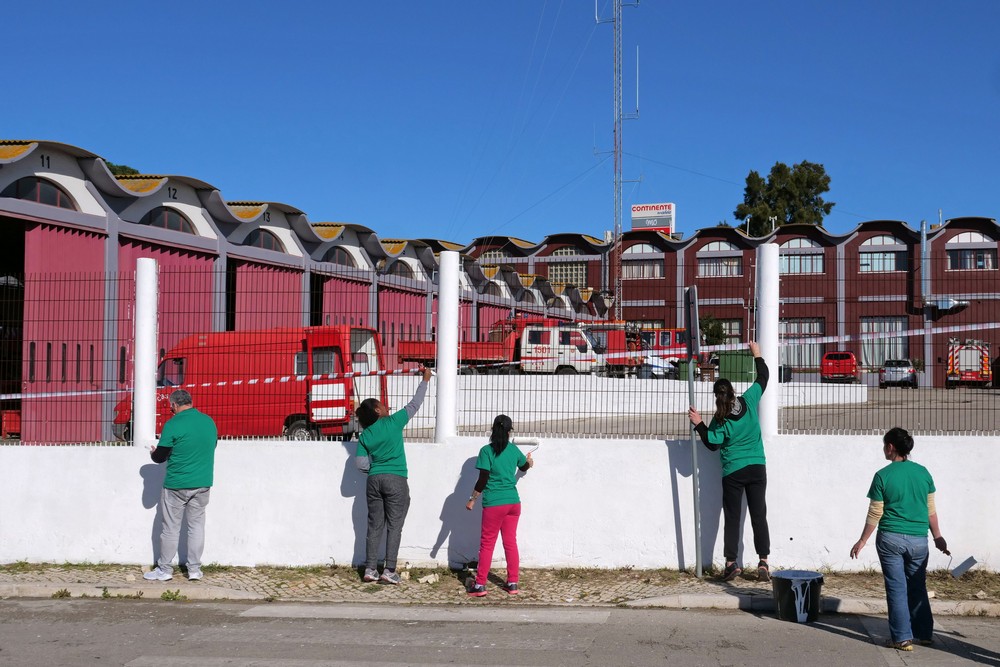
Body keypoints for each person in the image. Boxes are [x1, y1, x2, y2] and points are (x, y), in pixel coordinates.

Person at [850, 427, 949, 651]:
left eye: (885, 445)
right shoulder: (924, 473)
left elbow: (875, 513)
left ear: (891, 447)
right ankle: (923, 633)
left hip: (890, 540)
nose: (884, 449)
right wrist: (938, 537)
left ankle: (902, 638)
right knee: (917, 586)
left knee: (896, 588)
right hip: (919, 541)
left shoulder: (882, 476)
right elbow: (930, 509)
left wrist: (862, 540)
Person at [688, 340, 770, 582]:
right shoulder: (749, 399)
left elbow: (712, 443)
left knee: (732, 518)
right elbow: (764, 377)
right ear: (733, 391)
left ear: (717, 397)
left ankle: (731, 563)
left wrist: (699, 423)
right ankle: (763, 562)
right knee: (758, 515)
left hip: (733, 472)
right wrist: (757, 354)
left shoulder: (719, 418)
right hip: (757, 467)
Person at [355, 366, 433, 584]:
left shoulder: (365, 435)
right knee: (394, 526)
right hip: (396, 479)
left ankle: (370, 569)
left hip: (374, 481)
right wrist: (425, 380)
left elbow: (360, 464)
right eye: (381, 404)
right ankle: (389, 570)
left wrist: (376, 469)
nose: (385, 405)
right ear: (377, 411)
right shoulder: (393, 422)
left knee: (375, 525)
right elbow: (415, 404)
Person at [144, 389, 218, 582]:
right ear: (190, 402)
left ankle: (165, 570)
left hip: (176, 484)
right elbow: (209, 446)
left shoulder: (173, 424)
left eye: (171, 407)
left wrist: (153, 452)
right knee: (196, 526)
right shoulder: (209, 422)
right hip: (202, 483)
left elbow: (159, 457)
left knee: (170, 528)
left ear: (174, 405)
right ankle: (194, 570)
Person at [464, 414, 534, 597]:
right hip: (513, 502)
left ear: (493, 430)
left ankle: (479, 585)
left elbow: (483, 479)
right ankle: (512, 583)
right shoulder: (513, 450)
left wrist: (472, 499)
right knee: (510, 543)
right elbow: (524, 467)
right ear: (510, 432)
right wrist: (529, 462)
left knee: (487, 544)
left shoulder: (486, 451)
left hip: (494, 504)